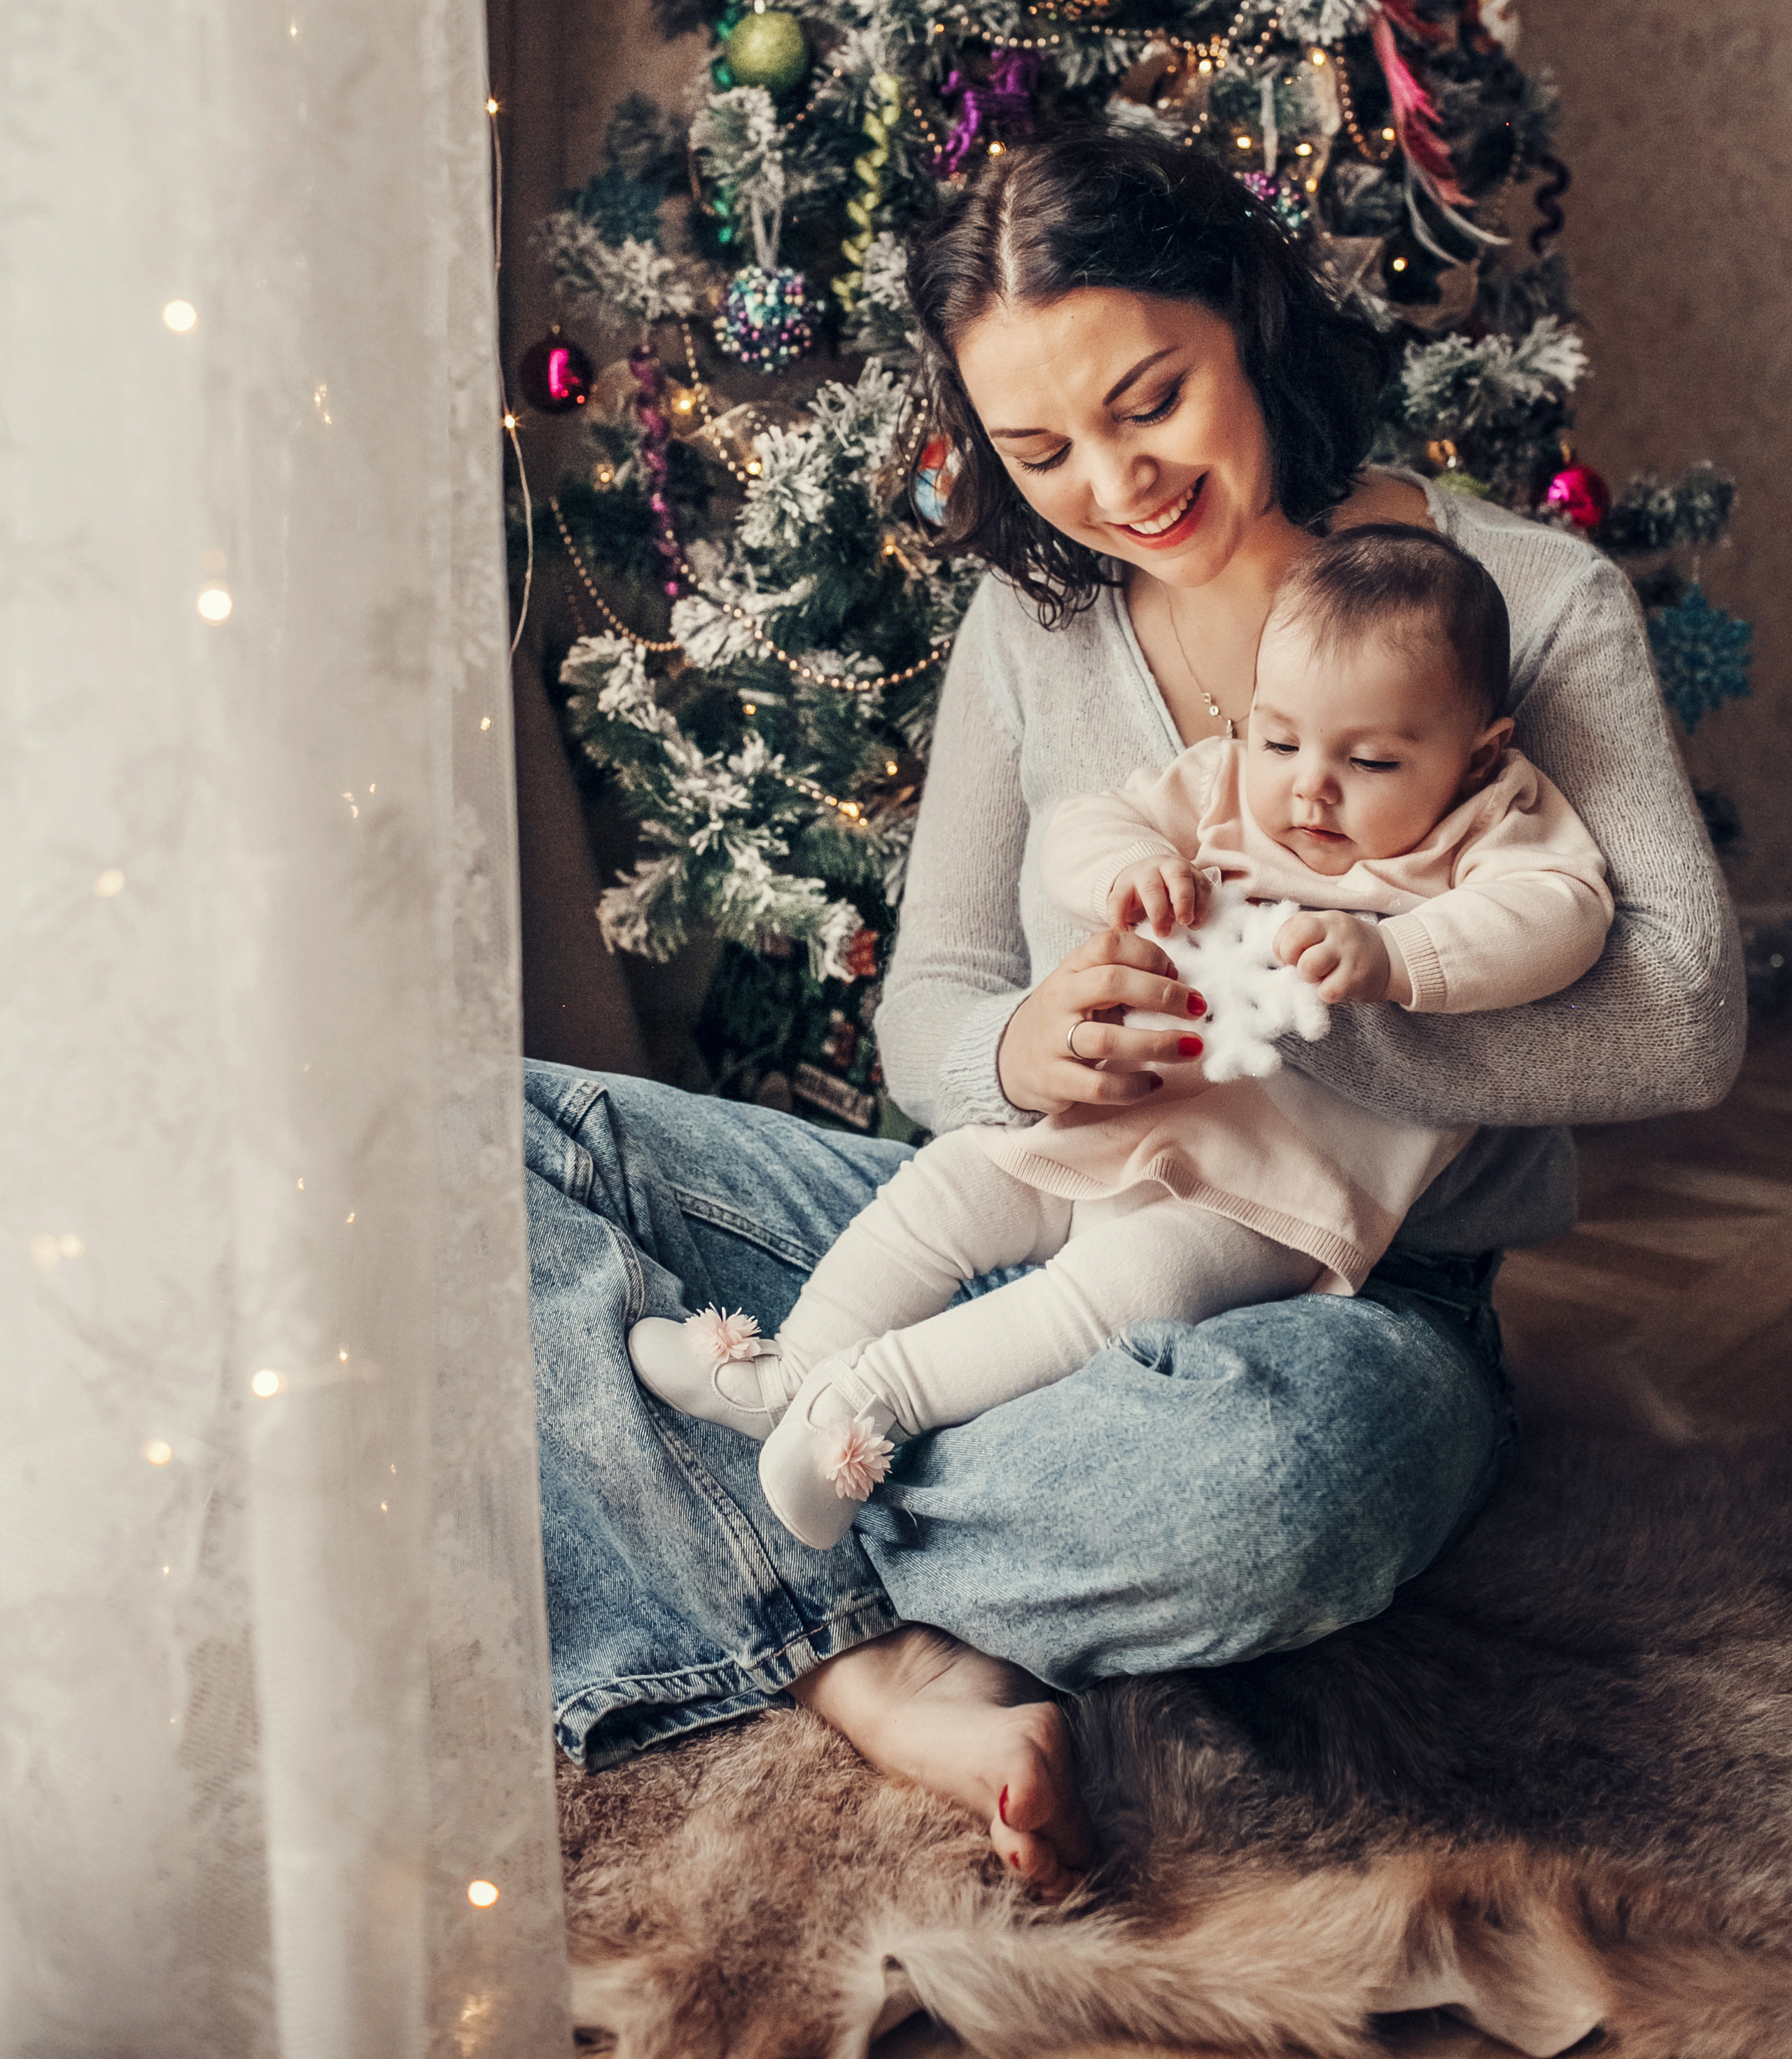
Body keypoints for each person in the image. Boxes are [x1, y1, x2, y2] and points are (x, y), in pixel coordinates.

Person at [524, 136, 1743, 1898]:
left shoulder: (1521, 612)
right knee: (453, 1148)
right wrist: (1023, 1048)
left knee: (1266, 1487)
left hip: (1318, 1304)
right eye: (1037, 451)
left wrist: (1308, 997)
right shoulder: (1029, 624)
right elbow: (932, 1003)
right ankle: (870, 1640)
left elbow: (1684, 1018)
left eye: (1146, 401)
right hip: (1023, 1196)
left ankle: (749, 1506)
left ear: (1244, 322)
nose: (1109, 483)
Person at [625, 524, 1615, 1551]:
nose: (1310, 787)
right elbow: (1087, 823)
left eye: (1370, 760)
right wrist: (1129, 870)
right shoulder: (1227, 785)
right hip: (1124, 1114)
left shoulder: (1492, 823)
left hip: (1270, 1196)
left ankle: (862, 1410)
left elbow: (1563, 915)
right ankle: (788, 1369)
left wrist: (1399, 957)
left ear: (1479, 753)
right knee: (953, 1182)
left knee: (1127, 1289)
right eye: (1281, 740)